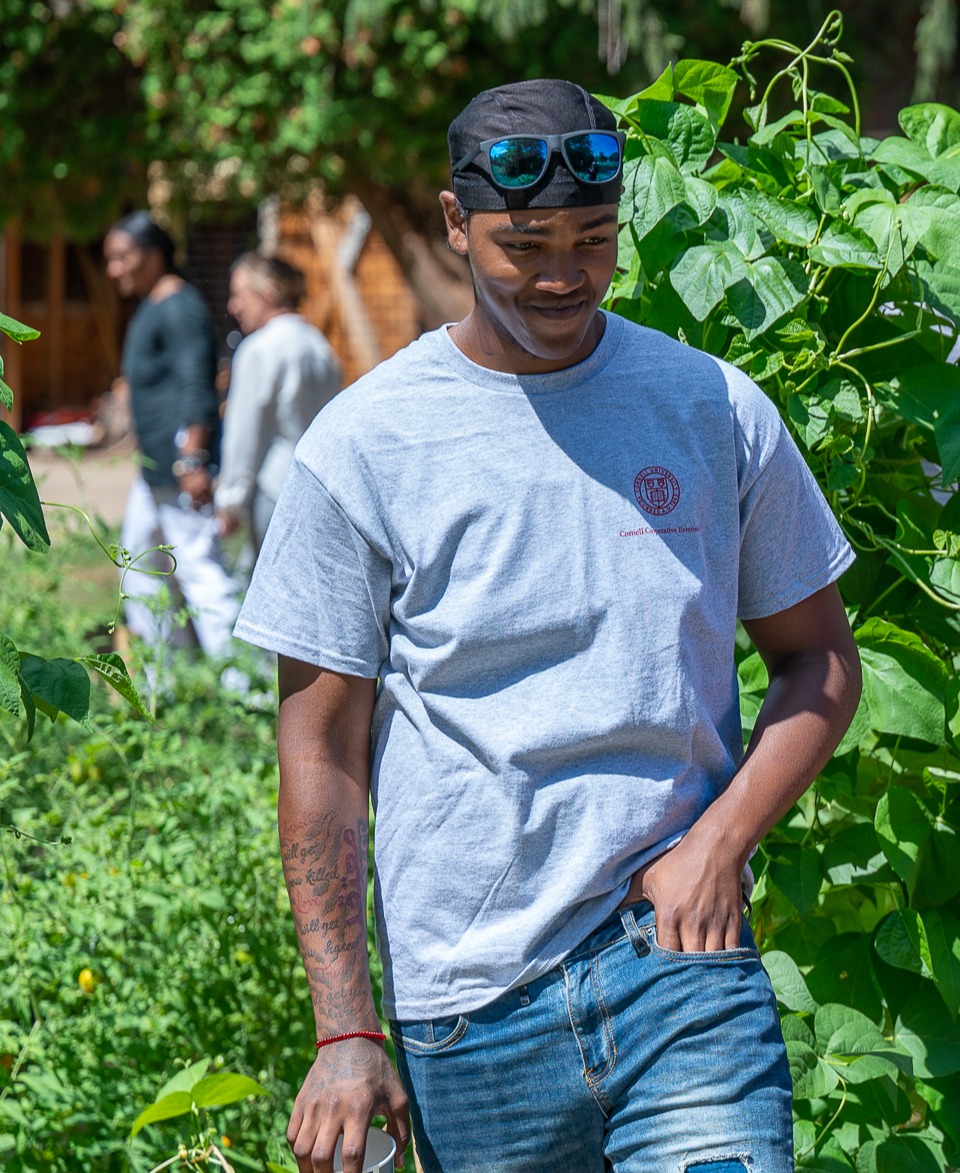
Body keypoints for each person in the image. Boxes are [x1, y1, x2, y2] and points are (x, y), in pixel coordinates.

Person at [233, 79, 860, 1173]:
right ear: (454, 224)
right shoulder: (366, 446)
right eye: (526, 243)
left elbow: (819, 660)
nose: (564, 273)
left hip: (677, 964)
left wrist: (719, 844)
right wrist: (345, 1029)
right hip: (469, 1009)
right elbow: (321, 750)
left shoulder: (711, 407)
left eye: (593, 239)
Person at [103, 211, 242, 655]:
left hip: (180, 467)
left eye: (123, 257)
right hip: (155, 471)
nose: (114, 269)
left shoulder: (180, 308)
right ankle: (169, 678)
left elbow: (195, 385)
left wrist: (192, 459)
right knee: (139, 564)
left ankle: (245, 685)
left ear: (154, 253)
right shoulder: (153, 307)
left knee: (199, 569)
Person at [216, 253, 342, 567]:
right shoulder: (320, 346)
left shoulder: (259, 349)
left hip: (274, 490)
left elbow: (243, 435)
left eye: (239, 294)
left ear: (267, 293)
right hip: (320, 490)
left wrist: (231, 502)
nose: (234, 306)